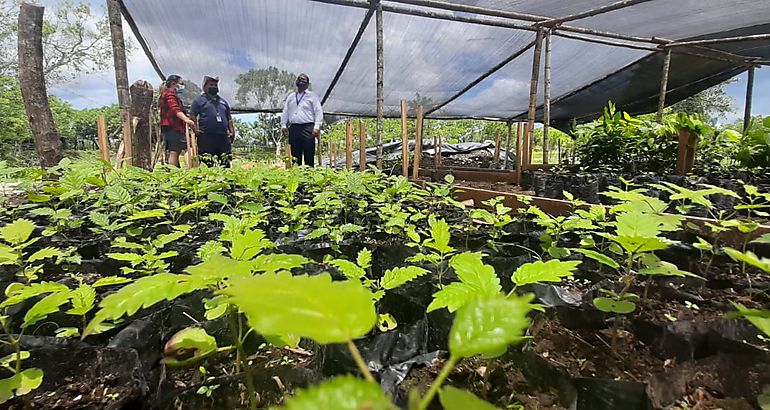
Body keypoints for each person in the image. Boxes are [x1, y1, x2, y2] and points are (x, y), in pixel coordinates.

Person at [190, 75, 235, 167]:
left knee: (225, 161)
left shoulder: (223, 102)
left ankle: (226, 179)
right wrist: (195, 129)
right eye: (211, 85)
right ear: (205, 86)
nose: (214, 87)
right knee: (207, 161)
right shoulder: (199, 101)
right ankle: (208, 179)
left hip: (223, 136)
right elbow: (192, 115)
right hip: (206, 136)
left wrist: (232, 131)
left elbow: (229, 118)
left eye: (215, 85)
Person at [281, 73, 323, 167]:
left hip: (308, 128)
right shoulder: (291, 97)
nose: (301, 81)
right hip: (294, 128)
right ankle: (297, 176)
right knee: (295, 155)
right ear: (296, 82)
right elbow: (286, 111)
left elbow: (318, 112)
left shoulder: (312, 96)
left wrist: (316, 127)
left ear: (307, 84)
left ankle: (309, 177)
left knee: (309, 153)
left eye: (303, 80)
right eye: (299, 79)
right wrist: (284, 125)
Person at [158, 75, 196, 167]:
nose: (182, 86)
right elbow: (175, 109)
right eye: (181, 84)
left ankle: (174, 172)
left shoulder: (167, 95)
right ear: (173, 84)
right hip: (174, 127)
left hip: (171, 127)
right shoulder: (169, 94)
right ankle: (191, 170)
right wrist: (186, 119)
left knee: (175, 150)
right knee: (189, 147)